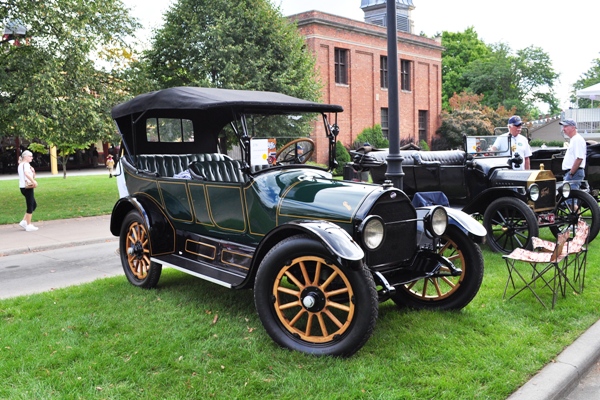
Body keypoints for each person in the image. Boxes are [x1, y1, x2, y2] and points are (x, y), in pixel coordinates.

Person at [560, 118, 586, 190]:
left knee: (570, 197)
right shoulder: (574, 139)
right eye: (563, 127)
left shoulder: (577, 140)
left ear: (573, 128)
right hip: (574, 172)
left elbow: (579, 158)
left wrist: (571, 173)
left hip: (574, 173)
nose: (563, 129)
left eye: (565, 126)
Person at [17, 150, 39, 232]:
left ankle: (24, 221)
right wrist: (34, 182)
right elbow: (26, 174)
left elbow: (30, 175)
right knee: (30, 206)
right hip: (27, 187)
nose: (32, 158)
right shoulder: (25, 164)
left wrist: (33, 172)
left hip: (23, 187)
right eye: (30, 156)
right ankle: (28, 225)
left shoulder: (21, 165)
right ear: (25, 157)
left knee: (34, 205)